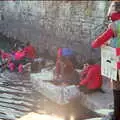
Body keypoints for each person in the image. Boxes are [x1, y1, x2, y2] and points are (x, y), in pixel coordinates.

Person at [91, 1, 120, 120]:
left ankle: (117, 115)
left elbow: (97, 42)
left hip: (118, 61)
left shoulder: (115, 25)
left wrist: (95, 43)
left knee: (117, 86)